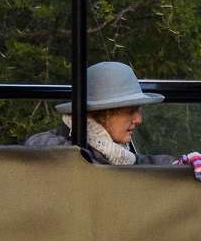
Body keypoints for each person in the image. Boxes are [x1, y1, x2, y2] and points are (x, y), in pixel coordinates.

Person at [25, 61, 168, 164]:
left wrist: (180, 163)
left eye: (138, 110)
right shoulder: (51, 148)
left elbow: (142, 162)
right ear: (101, 113)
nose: (138, 119)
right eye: (130, 111)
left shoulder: (116, 153)